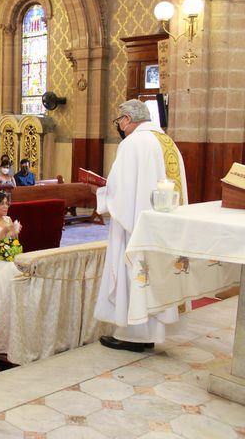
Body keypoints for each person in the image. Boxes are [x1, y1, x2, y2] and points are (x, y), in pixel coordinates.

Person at [95, 99, 188, 352]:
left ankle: (133, 335)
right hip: (163, 226)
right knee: (156, 274)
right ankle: (149, 333)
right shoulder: (167, 142)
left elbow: (119, 188)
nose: (120, 127)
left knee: (134, 272)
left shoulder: (133, 143)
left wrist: (103, 194)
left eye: (119, 121)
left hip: (136, 224)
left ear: (127, 119)